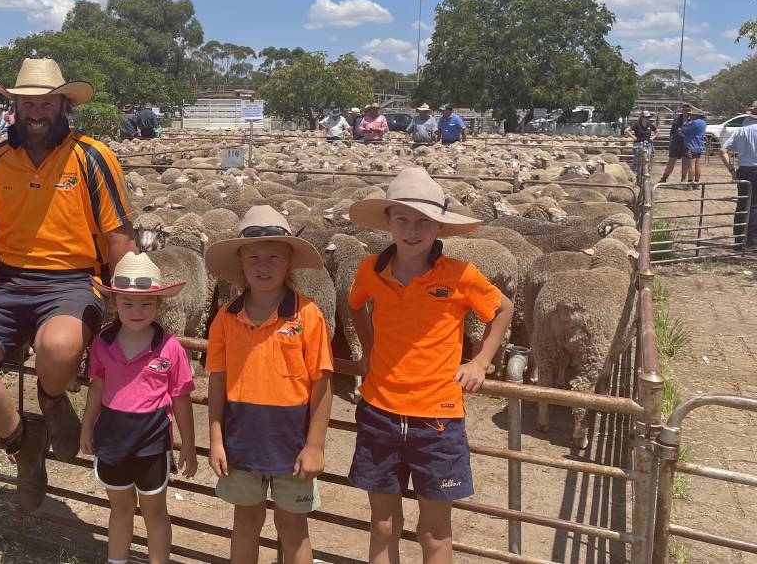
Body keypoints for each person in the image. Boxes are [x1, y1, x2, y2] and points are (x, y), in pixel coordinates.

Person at [0, 57, 136, 512]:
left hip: (72, 279)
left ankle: (50, 399)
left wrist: (122, 309)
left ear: (63, 104)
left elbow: (119, 239)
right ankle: (22, 440)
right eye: (28, 103)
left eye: (46, 102)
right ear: (15, 107)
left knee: (60, 348)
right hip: (9, 281)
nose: (37, 111)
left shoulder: (93, 157)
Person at [345, 167, 513, 564]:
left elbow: (502, 309)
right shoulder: (370, 269)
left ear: (439, 227)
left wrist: (481, 360)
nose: (412, 230)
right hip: (379, 411)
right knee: (383, 524)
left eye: (423, 221)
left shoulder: (459, 275)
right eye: (402, 219)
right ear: (388, 222)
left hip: (437, 418)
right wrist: (368, 351)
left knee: (434, 530)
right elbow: (354, 306)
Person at [203, 205, 333, 564]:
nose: (264, 265)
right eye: (254, 256)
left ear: (288, 262)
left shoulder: (308, 315)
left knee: (292, 527)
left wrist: (315, 445)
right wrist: (216, 437)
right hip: (241, 439)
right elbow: (218, 380)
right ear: (241, 265)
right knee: (245, 521)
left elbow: (321, 383)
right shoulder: (225, 319)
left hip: (292, 443)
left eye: (274, 256)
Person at [80, 251, 197, 564]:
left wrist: (188, 443)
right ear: (114, 303)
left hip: (152, 445)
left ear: (158, 304)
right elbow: (97, 387)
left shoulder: (170, 347)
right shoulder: (102, 343)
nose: (136, 310)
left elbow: (181, 398)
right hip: (113, 440)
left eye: (146, 303)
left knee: (155, 512)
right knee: (120, 510)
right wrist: (87, 426)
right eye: (127, 303)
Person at [720, 114, 757, 248]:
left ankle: (739, 239)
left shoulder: (741, 131)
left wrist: (732, 171)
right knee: (754, 206)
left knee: (742, 204)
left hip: (744, 170)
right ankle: (752, 241)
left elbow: (722, 150)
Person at [659, 103, 692, 185]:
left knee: (685, 162)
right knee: (671, 161)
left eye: (687, 110)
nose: (685, 111)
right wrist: (670, 143)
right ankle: (664, 178)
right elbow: (672, 132)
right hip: (676, 143)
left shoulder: (692, 120)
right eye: (684, 109)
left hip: (687, 143)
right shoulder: (677, 119)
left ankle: (683, 179)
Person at [681, 106, 708, 187]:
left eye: (692, 115)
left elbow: (683, 129)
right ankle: (696, 183)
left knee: (691, 165)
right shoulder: (703, 122)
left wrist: (684, 124)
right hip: (699, 146)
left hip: (691, 145)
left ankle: (689, 183)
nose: (690, 116)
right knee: (697, 164)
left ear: (696, 115)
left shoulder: (694, 123)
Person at [625, 111, 658, 175]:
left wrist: (652, 138)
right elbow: (626, 130)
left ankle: (645, 172)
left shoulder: (650, 125)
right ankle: (635, 173)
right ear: (642, 117)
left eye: (648, 117)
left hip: (648, 143)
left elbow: (657, 131)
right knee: (637, 159)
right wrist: (634, 137)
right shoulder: (637, 124)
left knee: (647, 158)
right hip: (638, 143)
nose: (647, 119)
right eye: (646, 117)